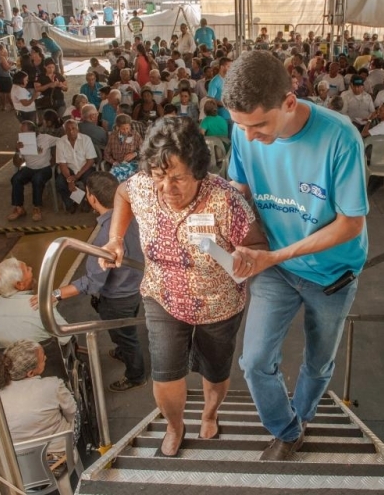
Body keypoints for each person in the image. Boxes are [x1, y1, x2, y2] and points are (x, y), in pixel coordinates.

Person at [223, 50, 368, 461]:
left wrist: (274, 255)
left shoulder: (340, 137)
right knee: (253, 361)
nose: (249, 137)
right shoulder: (243, 132)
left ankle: (302, 415)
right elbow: (240, 190)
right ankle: (287, 430)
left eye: (259, 125)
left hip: (331, 273)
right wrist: (228, 231)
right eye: (241, 126)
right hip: (276, 267)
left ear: (289, 102)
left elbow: (350, 224)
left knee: (319, 360)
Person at [101, 117, 267, 457]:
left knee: (215, 370)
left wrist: (246, 258)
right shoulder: (145, 184)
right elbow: (122, 193)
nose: (166, 187)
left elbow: (258, 245)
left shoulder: (225, 200)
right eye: (160, 176)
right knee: (165, 375)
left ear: (198, 169)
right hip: (163, 294)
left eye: (178, 178)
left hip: (218, 303)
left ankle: (210, 412)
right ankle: (174, 426)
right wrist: (115, 239)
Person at [34, 172, 147, 391]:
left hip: (117, 297)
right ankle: (123, 350)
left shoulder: (105, 238)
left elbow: (92, 282)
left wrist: (55, 294)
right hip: (136, 288)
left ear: (92, 198)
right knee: (125, 327)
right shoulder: (135, 217)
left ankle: (136, 375)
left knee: (126, 335)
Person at [0, 340, 76, 495]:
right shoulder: (53, 385)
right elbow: (72, 413)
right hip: (58, 461)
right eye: (42, 358)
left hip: (20, 467)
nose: (46, 358)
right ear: (30, 373)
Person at [0, 258, 72, 345]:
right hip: (44, 357)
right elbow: (66, 337)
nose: (31, 268)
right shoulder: (39, 306)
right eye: (27, 269)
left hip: (12, 356)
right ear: (20, 285)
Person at [8, 121, 58, 222]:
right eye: (21, 132)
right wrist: (17, 150)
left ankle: (37, 208)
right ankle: (19, 208)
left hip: (45, 167)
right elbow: (17, 163)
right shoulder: (21, 142)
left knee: (37, 179)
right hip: (29, 168)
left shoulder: (45, 138)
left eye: (25, 132)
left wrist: (56, 157)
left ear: (33, 131)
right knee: (16, 179)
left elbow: (63, 141)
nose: (22, 135)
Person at [56, 119, 97, 214]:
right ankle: (70, 203)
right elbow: (62, 164)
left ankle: (86, 201)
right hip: (69, 170)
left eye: (73, 128)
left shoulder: (86, 139)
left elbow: (90, 161)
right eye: (68, 129)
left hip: (85, 168)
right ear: (64, 131)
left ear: (78, 129)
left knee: (89, 181)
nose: (71, 131)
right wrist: (70, 180)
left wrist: (77, 176)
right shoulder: (60, 142)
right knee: (60, 183)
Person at [103, 114, 143, 182]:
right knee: (113, 178)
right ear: (118, 127)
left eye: (127, 128)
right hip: (117, 165)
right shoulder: (112, 136)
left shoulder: (135, 135)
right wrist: (113, 162)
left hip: (133, 165)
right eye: (123, 129)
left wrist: (135, 154)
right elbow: (106, 154)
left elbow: (144, 150)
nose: (126, 131)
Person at [208, 57, 232, 134]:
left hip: (232, 114)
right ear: (222, 67)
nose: (231, 69)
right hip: (221, 116)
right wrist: (221, 103)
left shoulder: (230, 79)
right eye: (229, 66)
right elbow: (210, 98)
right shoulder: (215, 81)